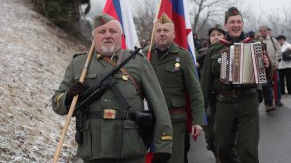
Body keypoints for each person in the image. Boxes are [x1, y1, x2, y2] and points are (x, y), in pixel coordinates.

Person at [52, 13, 173, 163]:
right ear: (93, 37)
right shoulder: (79, 64)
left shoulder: (137, 61)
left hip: (130, 147)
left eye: (113, 31)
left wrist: (164, 145)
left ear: (120, 36)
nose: (107, 35)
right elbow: (56, 104)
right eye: (102, 32)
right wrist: (68, 96)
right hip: (93, 147)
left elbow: (158, 104)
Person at [200, 7, 271, 163]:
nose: (236, 25)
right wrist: (200, 111)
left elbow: (265, 77)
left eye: (239, 22)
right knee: (222, 147)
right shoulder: (215, 48)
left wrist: (266, 65)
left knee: (248, 149)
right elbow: (205, 81)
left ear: (243, 24)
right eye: (232, 22)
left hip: (248, 101)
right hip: (224, 103)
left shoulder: (254, 45)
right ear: (225, 25)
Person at [143, 13, 205, 163]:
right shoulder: (145, 55)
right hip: (149, 119)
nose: (162, 34)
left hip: (174, 120)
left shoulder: (183, 56)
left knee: (174, 158)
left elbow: (194, 90)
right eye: (158, 31)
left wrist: (198, 120)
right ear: (154, 34)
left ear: (174, 34)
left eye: (166, 30)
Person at [196, 25, 226, 162]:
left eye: (219, 34)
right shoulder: (201, 55)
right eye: (213, 35)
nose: (216, 37)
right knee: (210, 136)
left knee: (226, 135)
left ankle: (224, 157)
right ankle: (216, 153)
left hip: (224, 99)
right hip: (207, 100)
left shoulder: (229, 51)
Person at [259, 26, 282, 109]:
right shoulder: (258, 41)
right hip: (263, 68)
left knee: (277, 83)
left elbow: (279, 51)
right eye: (261, 31)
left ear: (267, 31)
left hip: (274, 66)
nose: (263, 32)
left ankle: (278, 100)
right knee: (266, 85)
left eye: (265, 30)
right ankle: (268, 103)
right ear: (259, 32)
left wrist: (276, 61)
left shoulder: (273, 40)